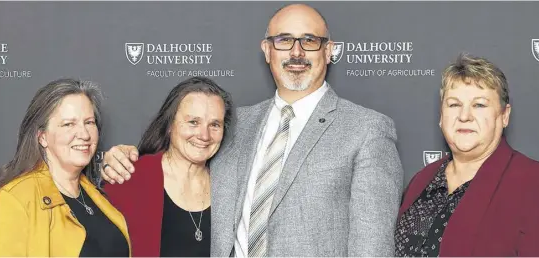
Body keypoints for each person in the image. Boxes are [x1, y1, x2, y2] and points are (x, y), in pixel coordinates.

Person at [102, 4, 403, 257]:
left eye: (309, 40)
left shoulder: (367, 130)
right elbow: (182, 159)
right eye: (284, 40)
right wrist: (125, 157)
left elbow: (371, 246)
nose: (296, 52)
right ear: (267, 50)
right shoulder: (235, 126)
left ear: (329, 51)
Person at [395, 54, 539, 256]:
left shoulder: (532, 182)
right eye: (454, 105)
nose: (464, 116)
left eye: (479, 105)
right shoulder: (422, 180)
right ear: (441, 116)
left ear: (504, 115)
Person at [0, 78, 130, 257]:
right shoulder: (14, 200)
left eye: (89, 122)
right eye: (68, 124)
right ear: (42, 137)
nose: (84, 134)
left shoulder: (99, 198)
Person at [102, 76, 233, 257]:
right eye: (193, 122)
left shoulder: (231, 188)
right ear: (170, 125)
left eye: (215, 125)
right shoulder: (130, 177)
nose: (204, 135)